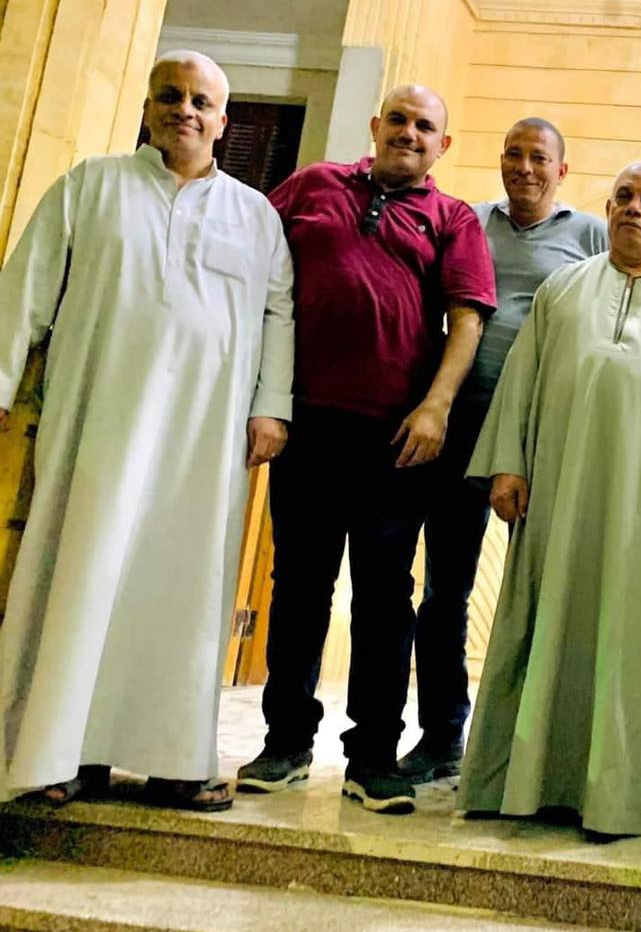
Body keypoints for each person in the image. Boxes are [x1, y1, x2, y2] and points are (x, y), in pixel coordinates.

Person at [0, 51, 293, 812]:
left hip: (206, 435)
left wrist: (272, 405)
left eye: (201, 101)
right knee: (82, 571)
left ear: (223, 121)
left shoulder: (255, 216)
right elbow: (24, 287)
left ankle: (175, 760)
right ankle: (63, 754)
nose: (184, 110)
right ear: (147, 107)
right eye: (170, 95)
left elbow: (278, 314)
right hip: (99, 418)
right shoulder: (90, 187)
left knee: (185, 589)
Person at [455, 161, 641, 837]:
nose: (633, 209)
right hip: (556, 496)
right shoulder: (562, 289)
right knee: (541, 622)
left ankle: (619, 797)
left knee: (633, 638)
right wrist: (508, 465)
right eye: (623, 197)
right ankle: (524, 783)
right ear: (608, 208)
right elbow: (521, 380)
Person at [237, 85, 496, 815]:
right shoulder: (312, 185)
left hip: (396, 438)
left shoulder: (453, 218)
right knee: (299, 587)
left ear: (443, 145)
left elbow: (468, 320)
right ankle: (286, 742)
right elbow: (252, 266)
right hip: (307, 426)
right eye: (400, 120)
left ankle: (374, 756)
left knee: (385, 599)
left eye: (426, 126)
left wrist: (435, 407)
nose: (410, 133)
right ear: (376, 126)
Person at [401, 117, 606, 784]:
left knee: (545, 588)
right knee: (446, 590)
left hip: (546, 435)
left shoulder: (590, 235)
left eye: (539, 157)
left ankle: (535, 742)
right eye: (513, 154)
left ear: (561, 171)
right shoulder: (467, 221)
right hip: (461, 426)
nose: (525, 167)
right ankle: (441, 736)